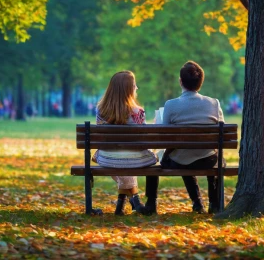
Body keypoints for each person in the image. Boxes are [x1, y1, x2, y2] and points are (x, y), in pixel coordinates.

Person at [145, 61, 224, 215]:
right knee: (211, 158)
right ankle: (214, 204)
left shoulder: (171, 105)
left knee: (180, 155)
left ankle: (153, 204)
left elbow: (165, 138)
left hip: (179, 161)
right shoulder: (214, 103)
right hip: (207, 159)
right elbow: (221, 131)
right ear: (200, 83)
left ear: (180, 81)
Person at [94, 71, 157, 215]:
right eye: (134, 86)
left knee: (121, 160)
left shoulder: (101, 110)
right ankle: (135, 200)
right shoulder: (138, 111)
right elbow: (143, 140)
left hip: (107, 157)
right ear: (129, 89)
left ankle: (122, 206)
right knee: (129, 158)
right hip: (134, 158)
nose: (137, 88)